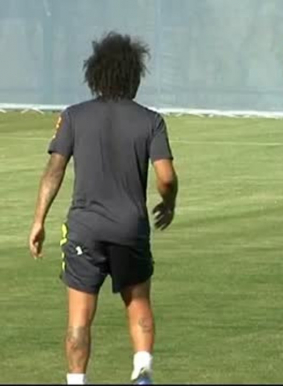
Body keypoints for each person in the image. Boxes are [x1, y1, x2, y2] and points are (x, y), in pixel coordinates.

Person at [28, 31, 178, 385]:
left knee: (79, 317)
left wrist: (38, 220)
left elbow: (54, 170)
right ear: (134, 75)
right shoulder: (150, 120)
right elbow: (167, 177)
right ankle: (142, 369)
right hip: (129, 228)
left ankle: (77, 381)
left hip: (84, 229)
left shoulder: (74, 116)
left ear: (95, 73)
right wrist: (168, 203)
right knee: (138, 303)